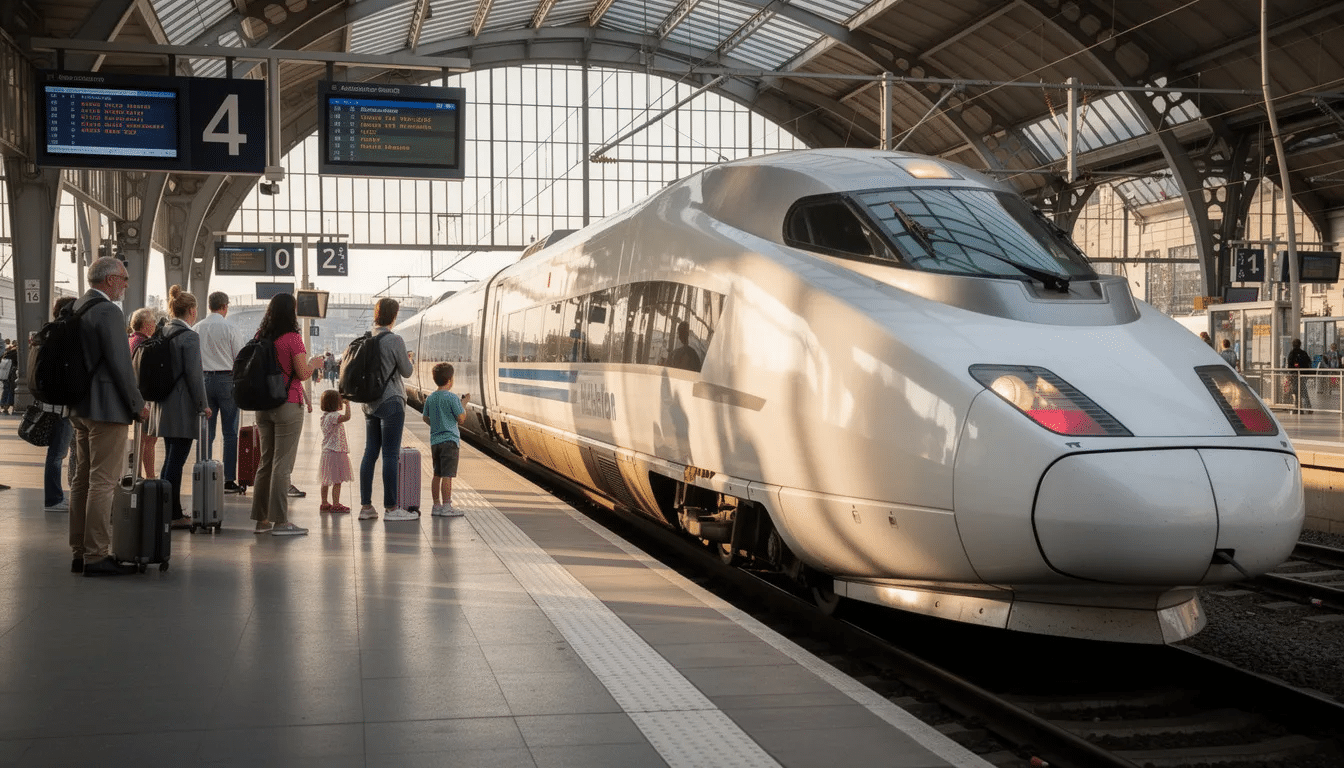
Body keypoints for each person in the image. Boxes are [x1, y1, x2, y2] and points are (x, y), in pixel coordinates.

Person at [69, 257, 147, 576]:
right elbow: (120, 364)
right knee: (103, 481)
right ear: (110, 280)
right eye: (124, 279)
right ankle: (97, 555)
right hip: (107, 408)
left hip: (80, 407)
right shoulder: (108, 311)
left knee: (82, 479)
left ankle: (79, 550)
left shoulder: (78, 307)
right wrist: (136, 404)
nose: (126, 285)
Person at [249, 292, 323, 536]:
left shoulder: (261, 336)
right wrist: (314, 363)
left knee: (265, 462)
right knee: (283, 465)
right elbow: (302, 373)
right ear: (291, 312)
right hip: (288, 404)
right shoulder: (293, 338)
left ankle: (261, 521)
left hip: (263, 405)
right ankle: (281, 521)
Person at [148, 286, 211, 530]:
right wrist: (203, 405)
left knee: (169, 460)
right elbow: (195, 376)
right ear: (192, 311)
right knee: (176, 461)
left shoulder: (162, 331)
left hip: (162, 404)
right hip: (182, 407)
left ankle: (164, 509)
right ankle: (173, 514)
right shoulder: (189, 337)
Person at [357, 298, 415, 521]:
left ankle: (366, 507)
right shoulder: (395, 340)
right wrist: (408, 359)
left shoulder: (367, 338)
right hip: (391, 401)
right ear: (393, 316)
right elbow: (407, 372)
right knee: (390, 453)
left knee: (370, 453)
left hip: (369, 403)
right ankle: (391, 508)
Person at [194, 291, 247, 494]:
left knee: (206, 432)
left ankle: (204, 474)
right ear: (225, 306)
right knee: (230, 433)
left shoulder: (197, 328)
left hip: (204, 380)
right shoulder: (231, 328)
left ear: (209, 306)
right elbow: (239, 358)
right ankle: (228, 480)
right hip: (227, 381)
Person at [41, 297, 77, 513]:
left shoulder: (48, 332)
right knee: (57, 454)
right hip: (63, 406)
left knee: (59, 452)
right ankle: (54, 499)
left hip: (52, 403)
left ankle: (58, 496)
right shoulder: (64, 335)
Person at [422, 363, 469, 516]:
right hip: (450, 441)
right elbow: (461, 419)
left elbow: (425, 417)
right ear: (450, 380)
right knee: (448, 475)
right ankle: (447, 506)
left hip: (435, 441)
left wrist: (436, 425)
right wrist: (464, 405)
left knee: (437, 474)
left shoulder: (431, 398)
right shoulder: (452, 398)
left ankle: (436, 506)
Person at [128, 308, 160, 480]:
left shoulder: (130, 340)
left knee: (141, 438)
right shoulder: (144, 344)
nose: (155, 325)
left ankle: (137, 473)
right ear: (146, 325)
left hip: (133, 395)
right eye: (153, 322)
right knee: (149, 439)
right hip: (144, 397)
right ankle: (150, 477)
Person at [318, 389, 353, 513]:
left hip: (327, 452)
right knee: (337, 480)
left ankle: (324, 502)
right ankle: (336, 504)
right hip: (336, 451)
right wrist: (347, 404)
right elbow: (347, 417)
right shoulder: (334, 416)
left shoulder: (325, 416)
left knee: (326, 480)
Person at [1287, 338, 1313, 414]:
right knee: (1304, 392)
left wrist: (1292, 372)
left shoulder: (1292, 353)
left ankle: (1298, 408)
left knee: (1296, 392)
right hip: (1303, 375)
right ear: (1300, 344)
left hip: (1295, 375)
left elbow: (1290, 364)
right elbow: (1308, 362)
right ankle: (1308, 408)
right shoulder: (1303, 353)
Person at [0, 339, 17, 415]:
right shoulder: (16, 353)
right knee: (10, 389)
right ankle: (7, 404)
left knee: (6, 389)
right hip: (10, 375)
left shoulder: (7, 353)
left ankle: (3, 404)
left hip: (5, 375)